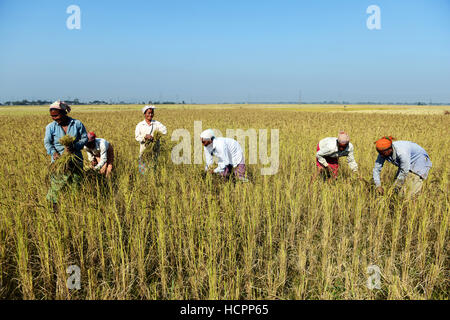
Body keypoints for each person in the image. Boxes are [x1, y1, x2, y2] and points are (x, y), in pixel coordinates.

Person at [44, 100, 88, 208]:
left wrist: (75, 146)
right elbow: (47, 143)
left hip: (75, 160)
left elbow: (84, 138)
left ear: (64, 113)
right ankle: (53, 207)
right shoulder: (50, 127)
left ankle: (74, 206)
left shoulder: (77, 124)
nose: (55, 118)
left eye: (57, 115)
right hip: (59, 162)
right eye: (52, 116)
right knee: (56, 185)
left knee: (76, 184)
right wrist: (54, 153)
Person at [135, 105, 167, 174]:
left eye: (152, 113)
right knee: (143, 171)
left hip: (155, 150)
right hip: (144, 150)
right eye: (148, 113)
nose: (150, 115)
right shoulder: (140, 125)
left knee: (153, 169)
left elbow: (164, 131)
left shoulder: (157, 124)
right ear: (144, 114)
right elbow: (137, 137)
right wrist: (145, 137)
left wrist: (155, 136)